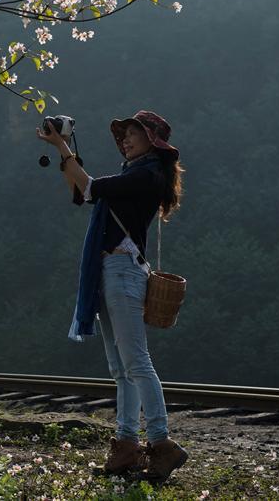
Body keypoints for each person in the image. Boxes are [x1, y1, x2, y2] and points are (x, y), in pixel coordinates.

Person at [36, 110, 188, 482]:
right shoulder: (133, 174)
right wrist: (64, 150)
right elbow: (84, 190)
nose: (125, 140)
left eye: (132, 134)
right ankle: (125, 447)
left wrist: (61, 146)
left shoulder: (146, 175)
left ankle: (162, 444)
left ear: (151, 140)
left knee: (136, 362)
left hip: (122, 272)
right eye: (124, 135)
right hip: (111, 271)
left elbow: (88, 187)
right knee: (121, 369)